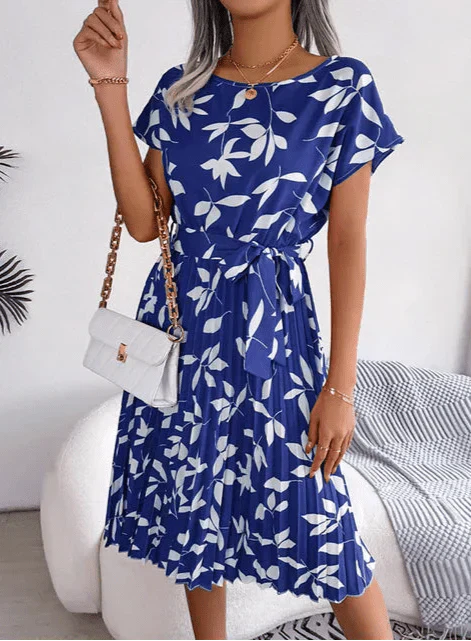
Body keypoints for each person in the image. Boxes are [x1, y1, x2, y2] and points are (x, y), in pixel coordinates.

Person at [73, 0, 404, 639]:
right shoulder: (181, 90)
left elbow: (347, 242)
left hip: (275, 335)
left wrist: (340, 387)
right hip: (185, 329)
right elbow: (145, 222)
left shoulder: (343, 87)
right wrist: (110, 87)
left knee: (321, 521)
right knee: (197, 508)